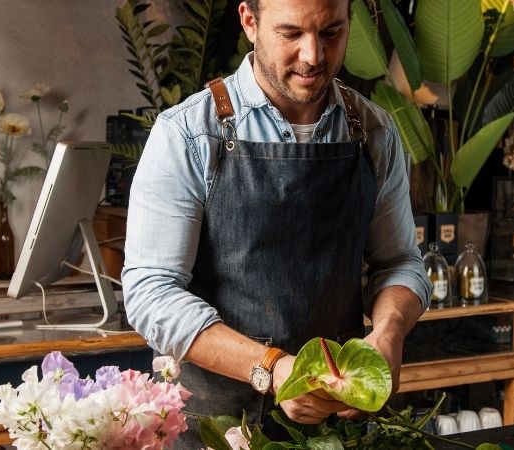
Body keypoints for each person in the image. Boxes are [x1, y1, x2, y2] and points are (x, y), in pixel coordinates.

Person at [122, 0, 430, 446]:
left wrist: (388, 332)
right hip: (219, 428)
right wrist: (273, 367)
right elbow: (152, 291)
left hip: (338, 425)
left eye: (331, 32)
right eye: (291, 34)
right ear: (250, 21)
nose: (313, 56)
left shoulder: (374, 132)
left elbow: (399, 261)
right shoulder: (189, 133)